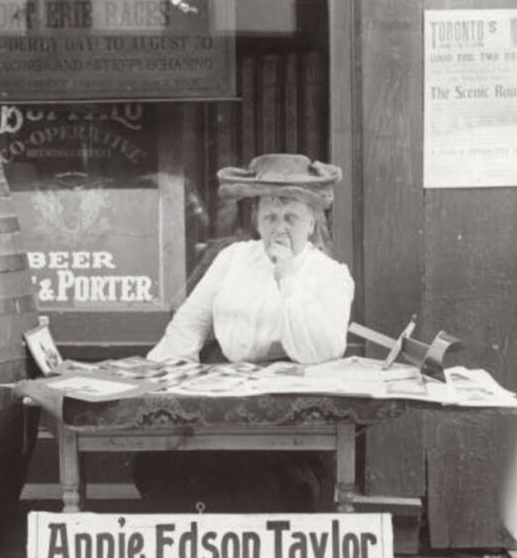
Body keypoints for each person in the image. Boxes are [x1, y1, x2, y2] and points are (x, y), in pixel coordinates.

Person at [133, 153, 356, 512]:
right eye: (269, 217)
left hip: (291, 411)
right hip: (226, 394)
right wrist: (154, 387)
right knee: (166, 462)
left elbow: (319, 350)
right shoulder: (234, 258)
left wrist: (287, 277)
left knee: (265, 482)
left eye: (291, 218)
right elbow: (188, 328)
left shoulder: (329, 275)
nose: (279, 227)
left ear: (312, 223)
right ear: (256, 221)